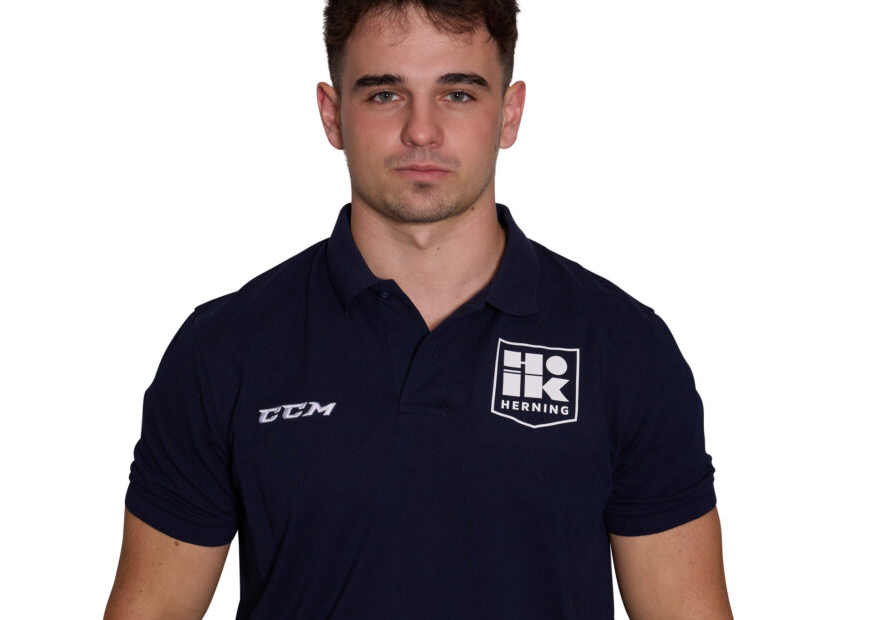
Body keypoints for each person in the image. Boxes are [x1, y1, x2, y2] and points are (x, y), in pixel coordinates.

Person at [105, 1, 734, 618]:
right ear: (332, 115)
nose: (422, 131)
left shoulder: (623, 348)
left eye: (458, 94)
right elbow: (152, 607)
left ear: (509, 113)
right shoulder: (225, 349)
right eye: (385, 94)